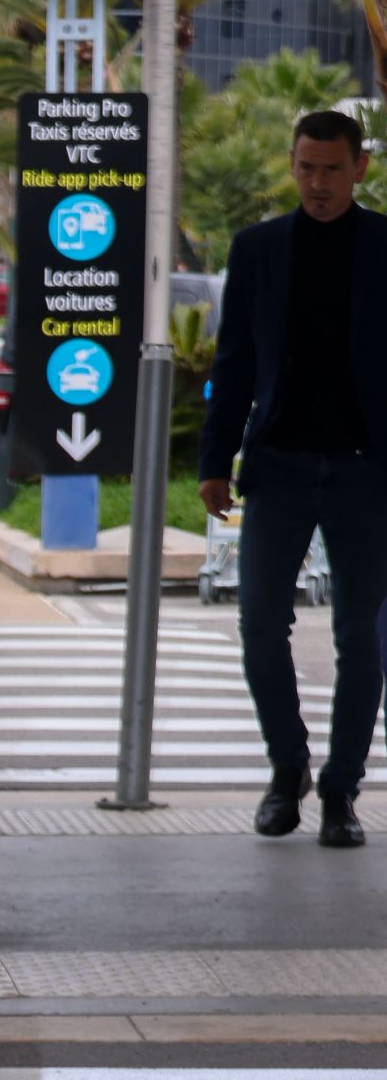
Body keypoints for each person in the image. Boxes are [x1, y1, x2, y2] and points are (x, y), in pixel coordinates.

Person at [199, 110, 387, 846]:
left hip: (367, 474)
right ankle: (289, 771)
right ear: (292, 165)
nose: (317, 182)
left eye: (332, 169)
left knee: (362, 638)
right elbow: (234, 362)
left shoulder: (383, 247)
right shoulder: (258, 249)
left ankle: (341, 791)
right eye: (306, 167)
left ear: (360, 168)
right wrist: (216, 461)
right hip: (276, 467)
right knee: (257, 627)